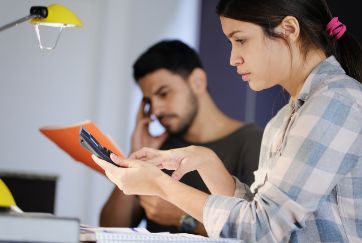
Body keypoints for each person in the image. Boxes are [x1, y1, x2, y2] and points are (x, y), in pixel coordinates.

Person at [93, 0, 362, 242]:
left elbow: (261, 230)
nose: (232, 58)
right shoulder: (284, 119)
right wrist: (207, 161)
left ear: (289, 30)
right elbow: (261, 214)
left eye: (240, 40)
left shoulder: (337, 102)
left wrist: (162, 186)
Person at [99, 40, 263, 235]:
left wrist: (182, 218)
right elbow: (110, 229)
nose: (156, 110)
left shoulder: (252, 143)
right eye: (148, 101)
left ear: (197, 82)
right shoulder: (159, 148)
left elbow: (256, 232)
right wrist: (133, 154)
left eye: (164, 93)